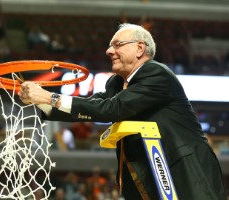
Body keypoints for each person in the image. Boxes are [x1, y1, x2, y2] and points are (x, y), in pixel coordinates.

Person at [18, 23, 227, 199]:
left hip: (185, 172)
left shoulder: (156, 74)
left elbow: (112, 109)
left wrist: (49, 96)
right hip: (149, 176)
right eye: (110, 46)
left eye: (117, 45)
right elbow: (92, 105)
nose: (109, 51)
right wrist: (39, 101)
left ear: (139, 48)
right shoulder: (116, 83)